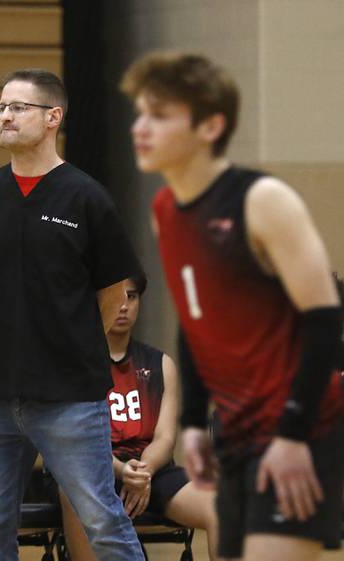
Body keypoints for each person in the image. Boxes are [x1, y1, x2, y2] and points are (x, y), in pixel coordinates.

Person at [121, 51, 343, 561]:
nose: (140, 128)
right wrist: (196, 422)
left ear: (210, 126)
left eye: (159, 115)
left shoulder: (264, 200)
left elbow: (325, 322)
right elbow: (197, 325)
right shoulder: (166, 211)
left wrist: (292, 435)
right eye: (139, 113)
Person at [0, 68, 145, 561]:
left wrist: (72, 345)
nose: (5, 116)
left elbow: (115, 289)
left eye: (18, 108)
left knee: (102, 519)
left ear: (53, 117)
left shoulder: (86, 197)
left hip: (69, 397)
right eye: (1, 107)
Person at [59, 274, 218, 560]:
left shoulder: (160, 364)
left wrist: (141, 472)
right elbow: (74, 441)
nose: (123, 305)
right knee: (73, 485)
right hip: (92, 469)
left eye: (131, 297)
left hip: (150, 471)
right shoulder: (74, 364)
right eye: (115, 297)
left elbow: (166, 438)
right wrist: (123, 471)